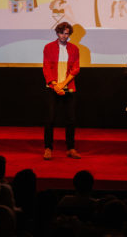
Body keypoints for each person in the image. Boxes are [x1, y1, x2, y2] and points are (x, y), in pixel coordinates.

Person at [42, 21, 81, 160]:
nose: (64, 36)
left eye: (66, 33)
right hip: (52, 87)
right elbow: (46, 67)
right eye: (61, 33)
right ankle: (48, 148)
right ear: (57, 33)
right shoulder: (48, 47)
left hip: (68, 87)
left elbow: (75, 69)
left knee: (71, 119)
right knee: (50, 119)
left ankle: (70, 148)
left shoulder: (74, 49)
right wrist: (55, 85)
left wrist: (63, 84)